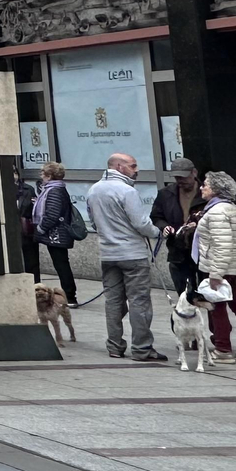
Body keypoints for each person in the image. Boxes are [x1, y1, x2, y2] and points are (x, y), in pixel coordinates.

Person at [89, 151, 165, 363]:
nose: (136, 170)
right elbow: (141, 223)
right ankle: (142, 348)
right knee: (139, 302)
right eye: (132, 166)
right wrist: (159, 233)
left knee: (113, 301)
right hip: (132, 254)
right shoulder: (127, 191)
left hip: (108, 254)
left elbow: (93, 223)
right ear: (119, 167)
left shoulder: (93, 190)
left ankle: (114, 346)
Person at [195, 170, 236, 363]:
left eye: (205, 184)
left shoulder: (217, 211)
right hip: (234, 268)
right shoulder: (232, 208)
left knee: (217, 307)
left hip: (221, 268)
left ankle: (223, 349)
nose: (201, 187)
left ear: (215, 189)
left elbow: (222, 244)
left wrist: (216, 273)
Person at [150, 156, 202, 296]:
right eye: (177, 177)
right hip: (178, 248)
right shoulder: (166, 193)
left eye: (183, 177)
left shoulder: (205, 192)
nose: (180, 181)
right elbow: (156, 216)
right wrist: (164, 226)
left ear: (194, 173)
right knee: (184, 293)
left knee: (207, 293)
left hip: (202, 248)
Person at [34, 161, 80, 301]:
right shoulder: (56, 189)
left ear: (49, 176)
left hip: (56, 234)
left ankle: (70, 296)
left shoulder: (54, 190)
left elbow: (52, 214)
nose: (41, 176)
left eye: (43, 173)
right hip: (57, 233)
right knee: (61, 263)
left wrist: (41, 228)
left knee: (61, 264)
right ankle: (70, 294)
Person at [13, 168, 40, 284]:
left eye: (15, 172)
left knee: (31, 260)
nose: (13, 176)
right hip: (11, 230)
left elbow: (34, 209)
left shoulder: (28, 189)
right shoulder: (1, 189)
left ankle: (35, 285)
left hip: (26, 229)